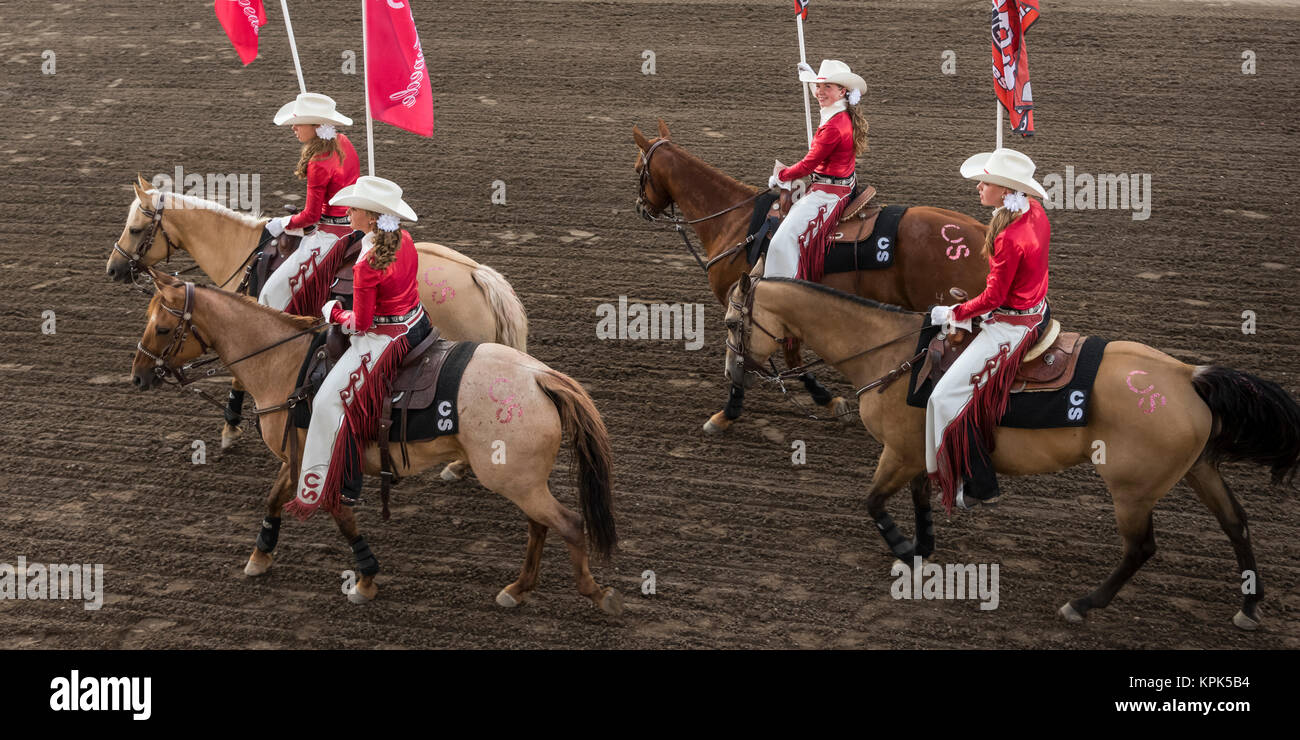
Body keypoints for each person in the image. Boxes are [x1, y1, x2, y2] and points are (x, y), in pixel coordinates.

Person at [286, 176, 432, 518]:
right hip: (418, 322)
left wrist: (333, 311)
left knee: (328, 402)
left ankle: (345, 487)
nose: (347, 211)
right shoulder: (405, 239)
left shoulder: (367, 265)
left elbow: (362, 324)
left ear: (370, 218)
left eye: (354, 208)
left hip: (388, 338)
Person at [925, 148, 1051, 511]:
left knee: (945, 397)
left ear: (1005, 190)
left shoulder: (1009, 235)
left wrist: (952, 312)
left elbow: (994, 298)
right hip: (1037, 309)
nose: (979, 187)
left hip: (1012, 327)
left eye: (986, 182)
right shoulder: (1034, 212)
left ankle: (981, 483)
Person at [763, 59, 869, 281]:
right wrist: (812, 79)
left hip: (829, 193)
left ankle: (780, 288)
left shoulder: (832, 126)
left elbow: (808, 164)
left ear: (842, 91)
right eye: (818, 86)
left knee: (783, 239)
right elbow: (823, 95)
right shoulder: (841, 112)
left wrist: (780, 175)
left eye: (826, 87)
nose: (820, 92)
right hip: (842, 182)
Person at [258, 92, 360, 315]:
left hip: (333, 233)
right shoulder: (343, 141)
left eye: (297, 123)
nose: (293, 128)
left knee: (271, 293)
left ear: (316, 125)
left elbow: (311, 216)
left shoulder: (318, 162)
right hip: (354, 222)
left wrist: (283, 223)